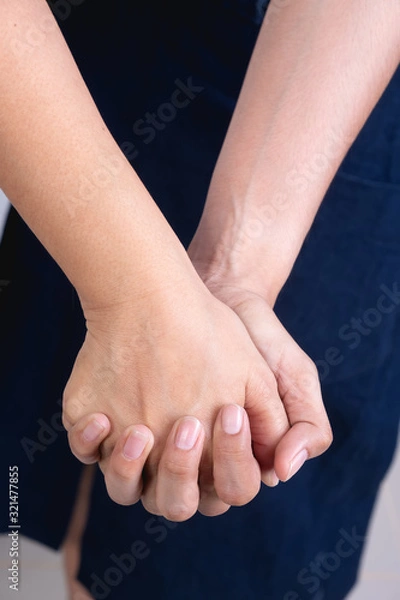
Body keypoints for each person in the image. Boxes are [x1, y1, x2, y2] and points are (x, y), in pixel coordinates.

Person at [1, 1, 399, 599]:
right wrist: (137, 299)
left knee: (197, 573)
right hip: (77, 69)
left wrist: (234, 277)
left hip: (328, 92)